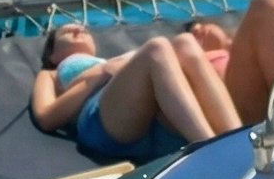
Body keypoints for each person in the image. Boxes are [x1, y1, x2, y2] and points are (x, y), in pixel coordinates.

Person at [30, 20, 240, 161]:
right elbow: (46, 117)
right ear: (53, 55)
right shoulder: (51, 73)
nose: (78, 30)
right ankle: (210, 151)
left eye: (84, 31)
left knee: (185, 42)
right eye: (67, 32)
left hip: (150, 122)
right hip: (98, 119)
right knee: (157, 47)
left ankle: (239, 143)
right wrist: (99, 75)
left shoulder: (111, 63)